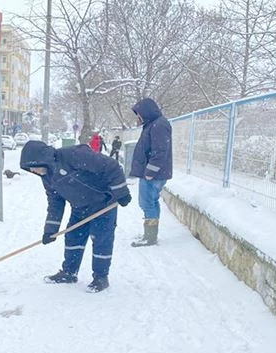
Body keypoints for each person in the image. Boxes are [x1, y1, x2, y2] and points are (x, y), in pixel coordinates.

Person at [20, 140, 132, 292]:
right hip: (80, 208)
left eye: (34, 167)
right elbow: (55, 202)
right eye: (30, 169)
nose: (34, 171)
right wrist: (50, 230)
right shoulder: (46, 176)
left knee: (101, 240)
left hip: (103, 204)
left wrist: (121, 192)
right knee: (73, 238)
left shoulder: (73, 155)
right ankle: (69, 273)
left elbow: (111, 166)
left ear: (42, 159)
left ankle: (101, 278)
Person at [129, 98, 172, 246]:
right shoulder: (153, 124)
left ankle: (150, 237)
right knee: (151, 203)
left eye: (139, 113)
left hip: (153, 174)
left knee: (147, 203)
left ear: (146, 112)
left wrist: (150, 171)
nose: (138, 117)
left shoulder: (159, 125)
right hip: (152, 173)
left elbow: (160, 151)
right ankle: (150, 235)